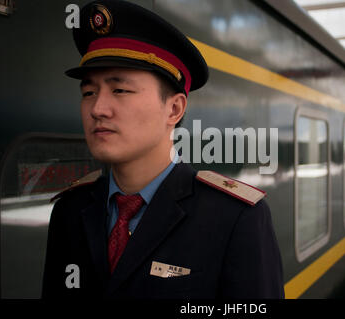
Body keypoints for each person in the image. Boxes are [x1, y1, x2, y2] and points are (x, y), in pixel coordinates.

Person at [42, 0, 284, 299]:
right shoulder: (70, 210)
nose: (98, 108)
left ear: (174, 109)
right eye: (89, 92)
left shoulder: (235, 219)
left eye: (120, 90)